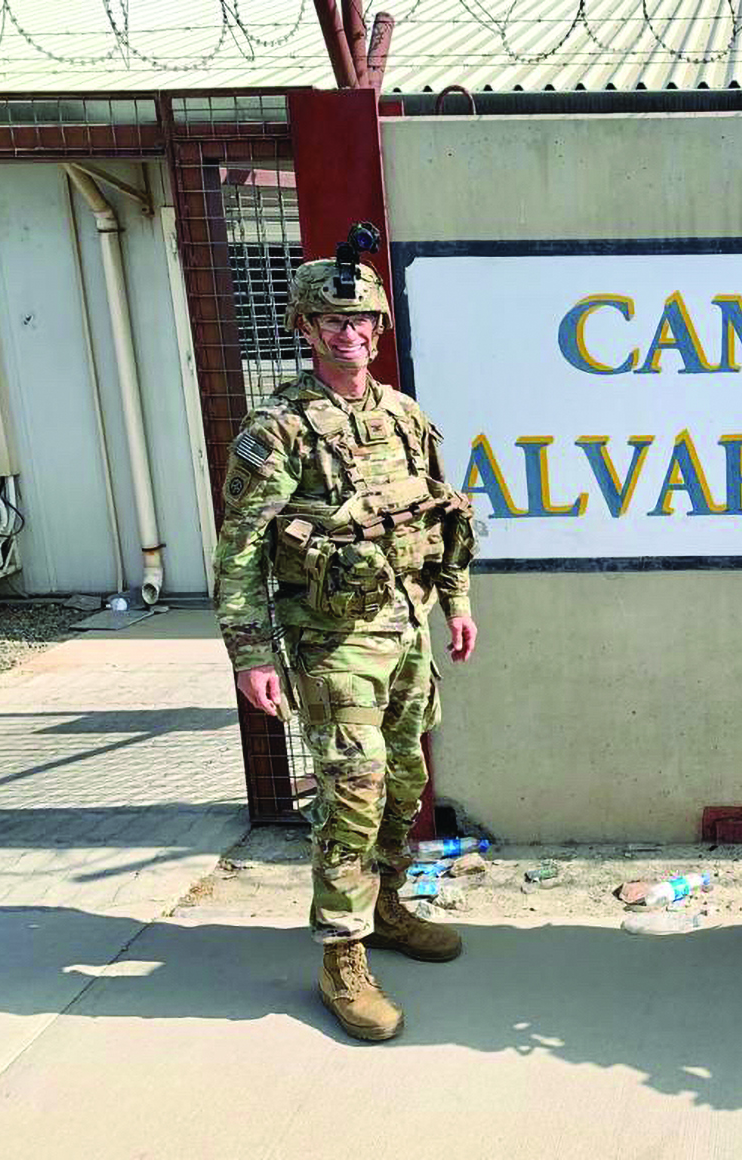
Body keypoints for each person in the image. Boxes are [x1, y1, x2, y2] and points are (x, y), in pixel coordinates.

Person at [213, 253, 478, 1041]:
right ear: (305, 329)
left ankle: (387, 904)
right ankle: (342, 953)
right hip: (332, 642)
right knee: (353, 791)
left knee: (404, 782)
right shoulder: (280, 429)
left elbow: (441, 519)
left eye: (363, 319)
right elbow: (240, 549)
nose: (352, 332)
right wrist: (251, 652)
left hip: (405, 625)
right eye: (334, 320)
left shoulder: (403, 415)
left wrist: (456, 603)